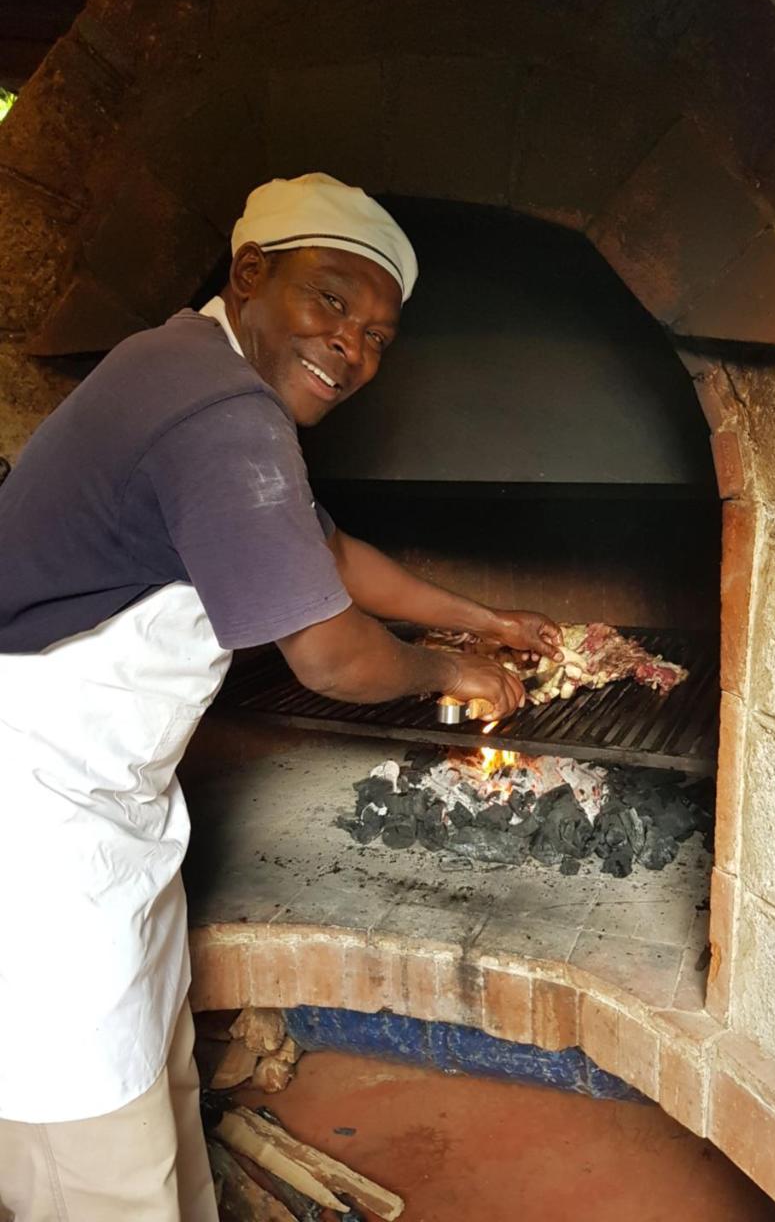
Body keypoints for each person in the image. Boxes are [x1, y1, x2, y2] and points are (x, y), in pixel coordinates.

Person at [0, 173, 560, 1221]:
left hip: (98, 793)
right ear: (251, 271)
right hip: (28, 818)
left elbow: (331, 552)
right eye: (333, 302)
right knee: (87, 1136)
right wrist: (452, 670)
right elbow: (330, 655)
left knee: (156, 1072)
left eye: (380, 334)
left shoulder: (187, 365)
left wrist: (485, 619)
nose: (354, 347)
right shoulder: (214, 407)